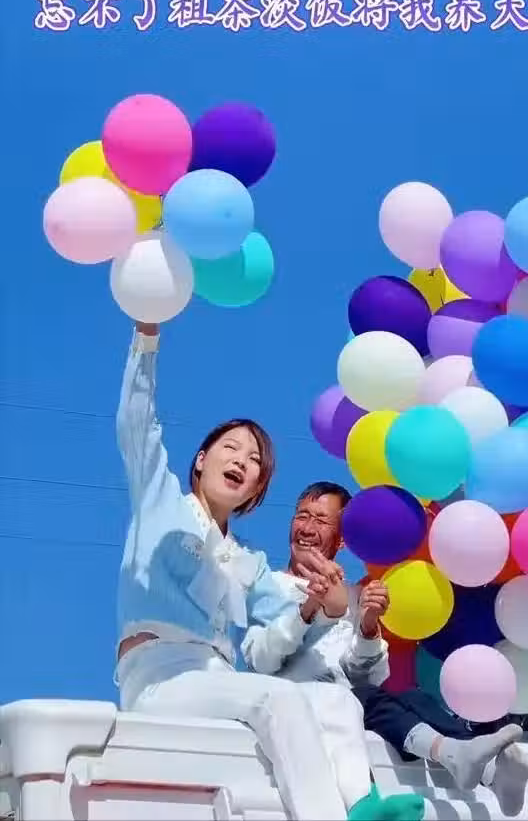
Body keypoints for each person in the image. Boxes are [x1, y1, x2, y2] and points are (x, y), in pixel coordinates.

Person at [114, 324, 424, 821]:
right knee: (278, 698)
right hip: (159, 677)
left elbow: (298, 619)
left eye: (254, 459)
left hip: (218, 681)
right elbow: (138, 424)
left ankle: (363, 805)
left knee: (334, 702)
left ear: (256, 488)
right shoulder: (161, 503)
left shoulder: (247, 562)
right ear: (201, 460)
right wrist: (146, 335)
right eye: (231, 448)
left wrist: (326, 601)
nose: (241, 459)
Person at [255, 480, 528, 819]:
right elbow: (263, 660)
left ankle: (488, 768)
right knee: (362, 697)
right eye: (302, 516)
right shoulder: (268, 583)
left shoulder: (353, 595)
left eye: (321, 520)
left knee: (407, 696)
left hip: (355, 708)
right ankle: (470, 761)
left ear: (341, 540)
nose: (308, 528)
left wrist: (369, 625)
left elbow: (367, 674)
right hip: (301, 703)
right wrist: (311, 608)